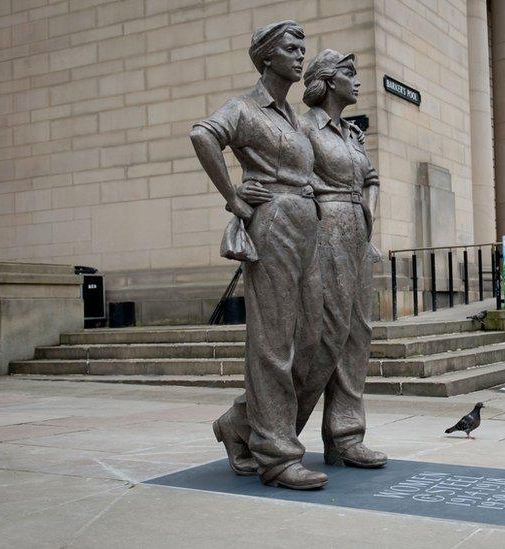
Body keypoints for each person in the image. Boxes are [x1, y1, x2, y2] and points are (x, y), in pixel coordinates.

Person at [191, 20, 328, 490]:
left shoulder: (290, 116)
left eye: (302, 48)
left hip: (306, 226)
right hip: (272, 224)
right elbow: (203, 135)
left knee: (311, 340)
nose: (300, 56)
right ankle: (276, 454)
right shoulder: (245, 109)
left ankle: (238, 423)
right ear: (267, 56)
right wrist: (232, 195)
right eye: (291, 48)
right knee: (273, 342)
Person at [293, 49, 387, 469]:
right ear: (329, 81)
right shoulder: (303, 127)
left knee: (357, 334)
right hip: (323, 230)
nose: (358, 81)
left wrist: (368, 219)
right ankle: (259, 425)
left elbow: (371, 180)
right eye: (350, 74)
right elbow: (293, 179)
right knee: (325, 336)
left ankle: (345, 436)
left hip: (356, 234)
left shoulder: (352, 134)